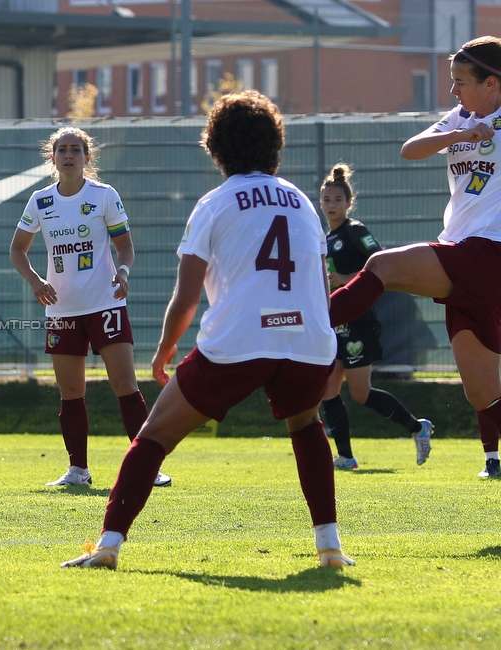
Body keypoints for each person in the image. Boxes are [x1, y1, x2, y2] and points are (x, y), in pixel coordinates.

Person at [62, 90, 355, 570]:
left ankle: (108, 547)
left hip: (239, 340)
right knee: (306, 427)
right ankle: (330, 548)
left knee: (153, 436)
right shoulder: (303, 202)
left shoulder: (216, 203)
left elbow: (187, 296)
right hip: (307, 340)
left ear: (215, 146)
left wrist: (164, 349)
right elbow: (319, 288)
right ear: (275, 145)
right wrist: (321, 345)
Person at [329, 36, 501, 479]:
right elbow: (410, 148)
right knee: (482, 395)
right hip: (464, 251)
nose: (453, 91)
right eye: (452, 82)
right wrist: (461, 133)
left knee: (381, 267)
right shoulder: (460, 118)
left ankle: (307, 321)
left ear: (492, 84)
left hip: (488, 252)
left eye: (461, 82)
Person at [10, 126, 171, 488]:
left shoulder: (104, 196)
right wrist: (36, 281)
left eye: (75, 150)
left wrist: (124, 272)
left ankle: (148, 466)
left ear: (87, 157)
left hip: (105, 304)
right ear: (52, 158)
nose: (68, 155)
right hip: (62, 311)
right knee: (71, 393)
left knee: (125, 385)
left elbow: (125, 247)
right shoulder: (40, 201)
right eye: (62, 150)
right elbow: (17, 250)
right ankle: (78, 471)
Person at [319, 163, 434, 470]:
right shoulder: (326, 239)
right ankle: (345, 457)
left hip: (359, 321)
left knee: (360, 393)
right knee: (328, 390)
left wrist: (346, 277)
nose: (332, 205)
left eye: (337, 200)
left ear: (348, 203)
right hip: (336, 323)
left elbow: (382, 265)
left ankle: (417, 427)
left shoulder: (355, 232)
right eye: (327, 200)